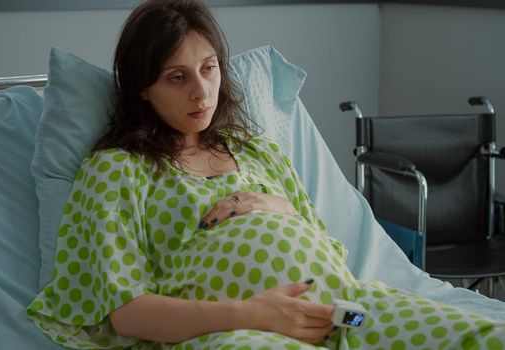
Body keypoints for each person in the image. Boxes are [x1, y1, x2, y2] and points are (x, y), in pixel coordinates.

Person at [27, 0, 505, 349]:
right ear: (143, 90)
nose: (201, 92)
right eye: (177, 77)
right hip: (231, 331)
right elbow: (127, 312)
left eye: (209, 69)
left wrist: (278, 205)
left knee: (483, 335)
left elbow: (318, 237)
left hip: (345, 308)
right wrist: (254, 314)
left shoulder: (254, 149)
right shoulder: (117, 170)